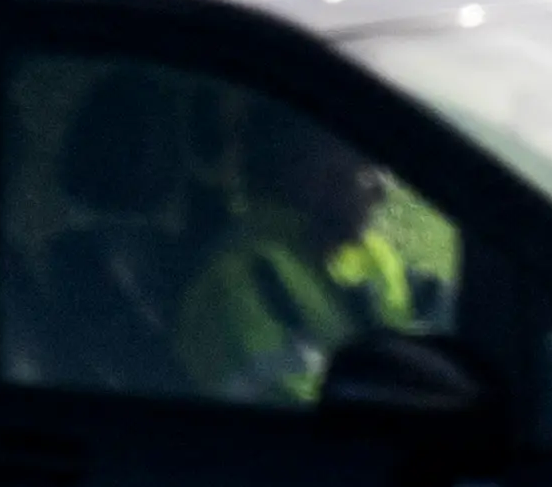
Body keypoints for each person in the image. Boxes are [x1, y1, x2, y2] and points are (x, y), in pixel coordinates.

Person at [170, 105, 462, 407]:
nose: (382, 190)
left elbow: (441, 308)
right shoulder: (243, 283)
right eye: (366, 164)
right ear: (315, 169)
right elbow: (306, 410)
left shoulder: (362, 256)